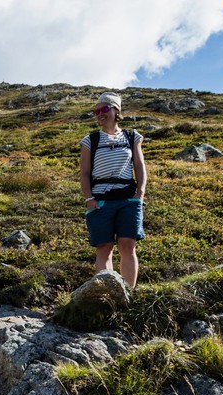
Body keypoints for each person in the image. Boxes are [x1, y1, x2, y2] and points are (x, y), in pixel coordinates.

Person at [79, 91, 147, 288]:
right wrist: (89, 198)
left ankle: (128, 294)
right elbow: (84, 173)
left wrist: (139, 194)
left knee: (127, 245)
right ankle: (108, 293)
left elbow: (140, 167)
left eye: (105, 109)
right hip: (100, 201)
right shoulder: (90, 140)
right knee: (104, 247)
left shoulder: (132, 137)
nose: (100, 114)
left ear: (116, 111)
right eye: (97, 111)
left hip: (128, 200)